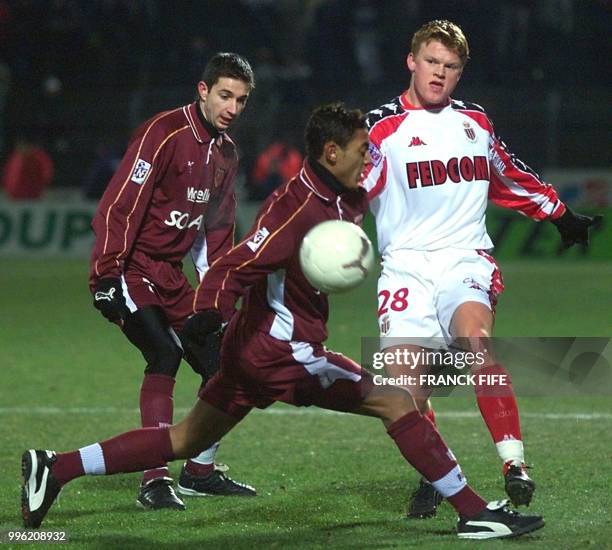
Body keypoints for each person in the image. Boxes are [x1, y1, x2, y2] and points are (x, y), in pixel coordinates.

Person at [22, 103, 545, 540]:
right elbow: (237, 263)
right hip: (283, 352)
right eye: (363, 150)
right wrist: (208, 313)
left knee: (183, 439)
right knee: (395, 400)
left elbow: (379, 200)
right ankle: (475, 513)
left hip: (252, 351)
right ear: (331, 153)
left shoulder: (347, 194)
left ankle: (56, 466)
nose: (370, 158)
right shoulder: (298, 213)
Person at [361, 19, 601, 519]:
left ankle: (514, 464)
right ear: (411, 61)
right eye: (430, 62)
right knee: (405, 393)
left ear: (460, 72)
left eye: (449, 67)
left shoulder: (475, 122)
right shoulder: (381, 129)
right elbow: (349, 186)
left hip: (464, 258)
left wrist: (559, 213)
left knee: (477, 344)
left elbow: (506, 173)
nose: (438, 75)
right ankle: (438, 473)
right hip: (404, 269)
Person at [88, 52, 257, 510]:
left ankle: (199, 472)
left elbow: (218, 231)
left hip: (174, 279)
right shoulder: (162, 133)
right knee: (164, 353)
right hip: (133, 269)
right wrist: (106, 273)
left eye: (241, 100)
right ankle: (154, 478)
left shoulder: (226, 153)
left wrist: (216, 299)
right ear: (202, 91)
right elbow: (120, 204)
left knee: (226, 368)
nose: (233, 108)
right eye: (225, 95)